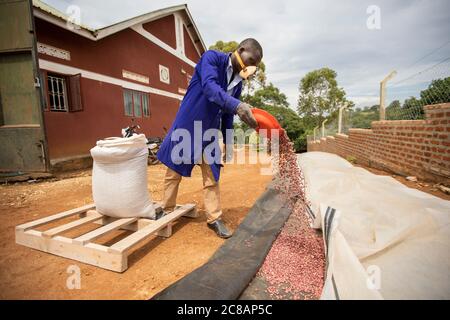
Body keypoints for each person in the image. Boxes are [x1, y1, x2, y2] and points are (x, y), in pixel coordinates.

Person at [157, 38, 263, 239]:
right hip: (188, 124)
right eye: (251, 60)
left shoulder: (238, 82)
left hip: (210, 132)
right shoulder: (212, 58)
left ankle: (214, 218)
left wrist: (228, 142)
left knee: (212, 175)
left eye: (255, 65)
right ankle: (166, 210)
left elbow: (227, 114)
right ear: (240, 50)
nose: (251, 66)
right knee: (173, 171)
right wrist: (237, 105)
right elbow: (209, 87)